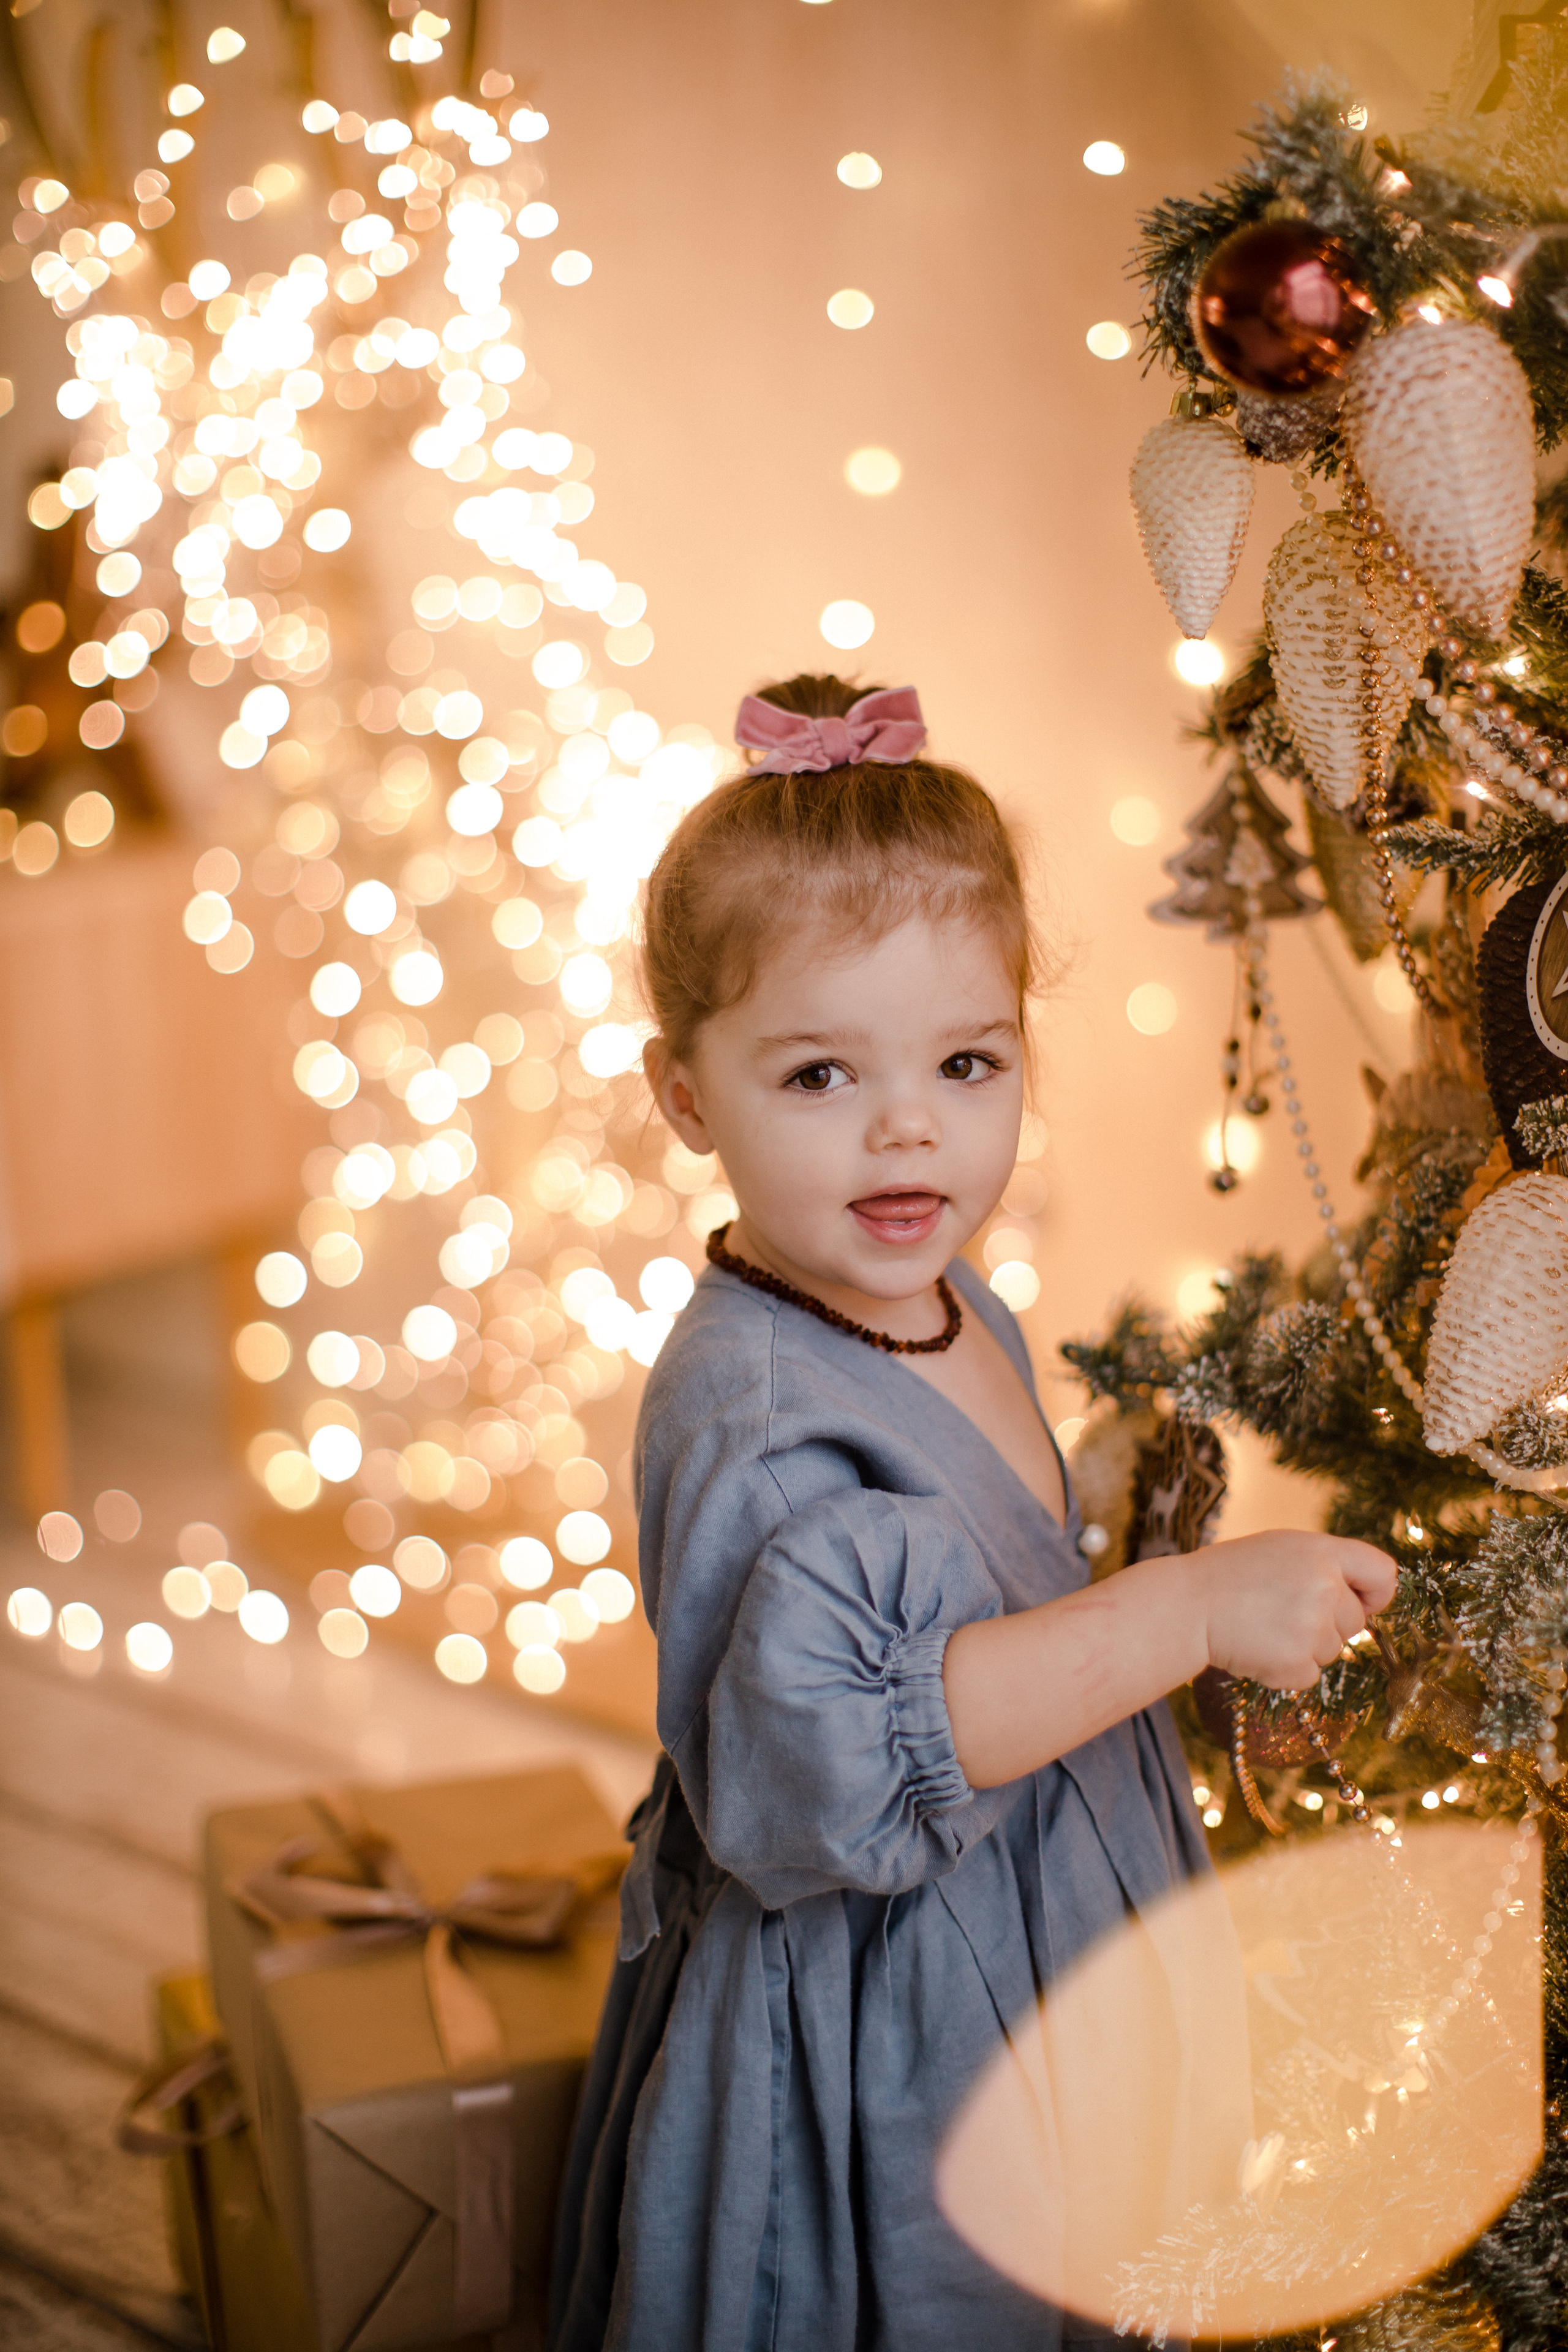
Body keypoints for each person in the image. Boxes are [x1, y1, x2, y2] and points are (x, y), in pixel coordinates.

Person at [548, 674, 1395, 2352]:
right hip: (894, 2026)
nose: (906, 1125)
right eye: (815, 1076)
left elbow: (986, 1587)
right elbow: (840, 1764)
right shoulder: (755, 1407)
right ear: (686, 1098)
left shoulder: (946, 1298)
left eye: (964, 1058)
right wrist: (1185, 1614)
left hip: (1043, 1922)